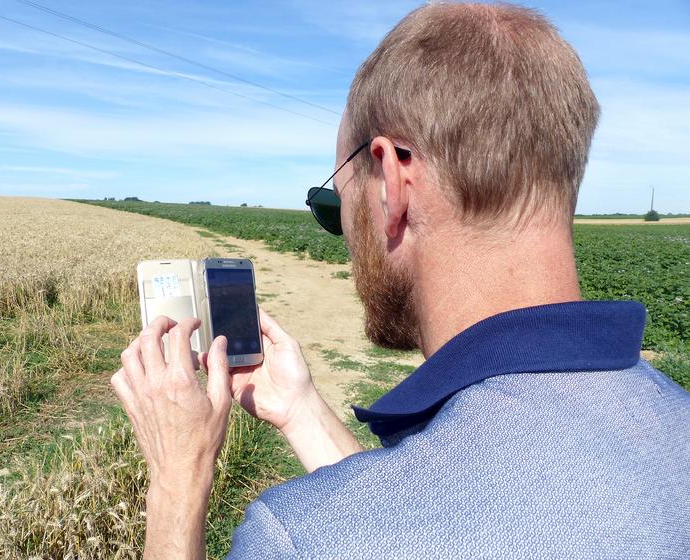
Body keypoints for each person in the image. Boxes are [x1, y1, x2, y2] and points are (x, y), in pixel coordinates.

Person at [110, 3, 690, 559]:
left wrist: (176, 479)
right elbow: (420, 513)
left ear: (391, 183)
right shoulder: (671, 419)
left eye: (336, 206)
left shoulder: (300, 538)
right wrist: (301, 410)